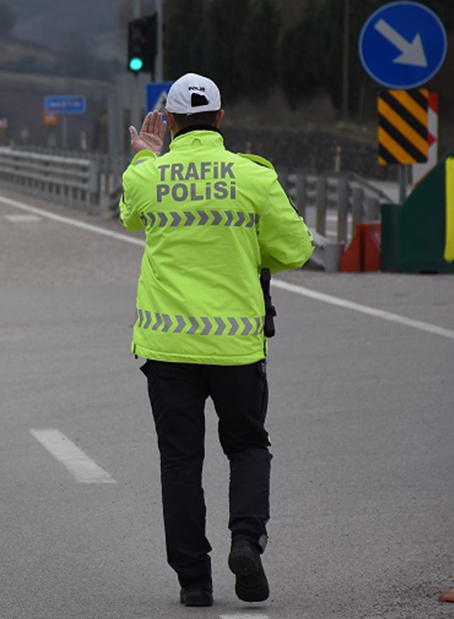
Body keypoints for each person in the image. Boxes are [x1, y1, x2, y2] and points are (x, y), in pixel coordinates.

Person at [118, 73, 313, 608]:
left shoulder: (151, 175)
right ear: (221, 118)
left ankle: (194, 582)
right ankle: (247, 541)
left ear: (173, 123)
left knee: (180, 462)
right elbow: (296, 249)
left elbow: (130, 213)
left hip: (168, 350)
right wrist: (250, 252)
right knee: (248, 445)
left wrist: (143, 154)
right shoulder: (252, 176)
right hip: (236, 348)